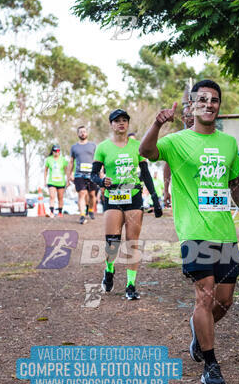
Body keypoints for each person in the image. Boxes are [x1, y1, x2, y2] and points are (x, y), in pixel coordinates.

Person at [140, 80, 239, 384]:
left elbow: (234, 184)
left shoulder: (228, 144)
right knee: (204, 296)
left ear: (219, 106)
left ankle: (199, 332)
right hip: (193, 231)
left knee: (224, 301)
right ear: (193, 106)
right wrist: (156, 124)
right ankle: (211, 365)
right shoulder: (177, 142)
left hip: (223, 231)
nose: (209, 104)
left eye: (215, 100)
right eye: (203, 100)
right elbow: (146, 151)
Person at [91, 109, 162, 301]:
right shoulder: (103, 147)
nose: (121, 124)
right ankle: (109, 269)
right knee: (112, 243)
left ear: (128, 124)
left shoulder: (137, 146)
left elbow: (146, 174)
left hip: (134, 197)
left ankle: (131, 285)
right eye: (117, 121)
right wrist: (101, 181)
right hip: (113, 197)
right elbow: (93, 174)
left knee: (132, 242)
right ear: (111, 124)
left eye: (124, 120)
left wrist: (155, 199)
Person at [163, 102, 194, 207]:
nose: (192, 118)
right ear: (183, 119)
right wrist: (166, 189)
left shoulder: (210, 138)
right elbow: (168, 165)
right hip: (183, 193)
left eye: (195, 114)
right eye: (188, 116)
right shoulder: (176, 140)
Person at [68, 126, 97, 224]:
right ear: (78, 134)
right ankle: (82, 215)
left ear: (87, 133)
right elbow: (71, 161)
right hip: (79, 174)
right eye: (80, 132)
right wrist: (69, 175)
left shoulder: (93, 146)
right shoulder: (74, 147)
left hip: (91, 174)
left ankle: (91, 210)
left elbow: (98, 160)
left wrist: (100, 171)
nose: (83, 133)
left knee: (92, 195)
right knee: (82, 194)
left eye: (84, 132)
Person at [44, 145, 69, 218]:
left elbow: (66, 170)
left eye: (58, 151)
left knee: (60, 197)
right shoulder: (49, 159)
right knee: (52, 196)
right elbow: (45, 170)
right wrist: (44, 180)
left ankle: (60, 212)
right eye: (55, 151)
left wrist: (68, 181)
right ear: (52, 151)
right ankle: (51, 212)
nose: (56, 153)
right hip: (51, 181)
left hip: (61, 182)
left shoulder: (63, 159)